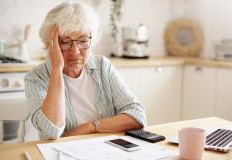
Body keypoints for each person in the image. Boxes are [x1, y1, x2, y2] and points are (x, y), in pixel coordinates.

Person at [24, 1, 146, 140]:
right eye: (65, 41)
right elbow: (52, 131)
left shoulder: (103, 67)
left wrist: (90, 127)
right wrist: (56, 69)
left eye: (82, 40)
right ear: (49, 44)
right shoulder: (35, 78)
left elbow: (137, 116)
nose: (75, 52)